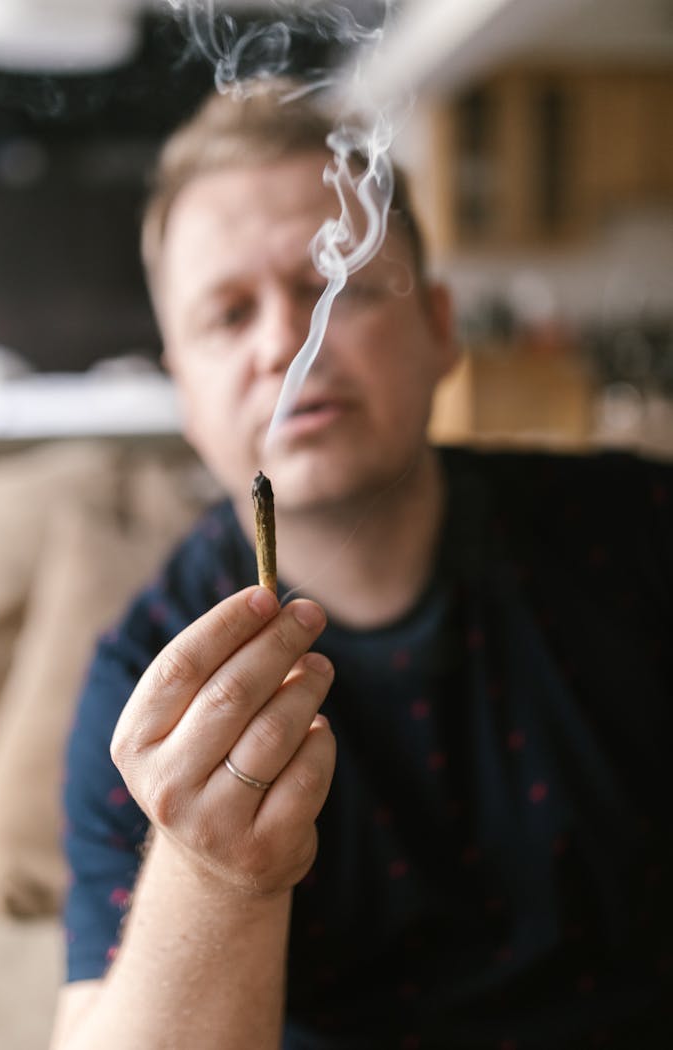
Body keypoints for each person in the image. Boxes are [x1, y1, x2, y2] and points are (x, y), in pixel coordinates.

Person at [49, 80, 673, 1050]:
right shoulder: (145, 693)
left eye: (329, 286)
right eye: (226, 314)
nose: (284, 344)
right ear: (180, 385)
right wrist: (213, 874)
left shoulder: (637, 532)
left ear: (438, 328)